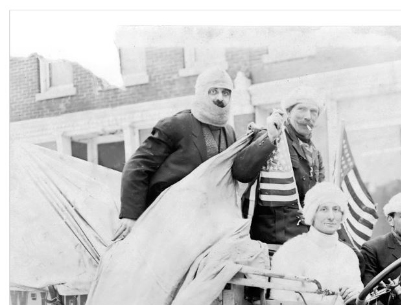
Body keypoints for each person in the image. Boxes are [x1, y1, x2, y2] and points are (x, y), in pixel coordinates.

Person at [115, 67, 236, 241]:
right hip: (169, 221)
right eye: (213, 91)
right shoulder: (176, 125)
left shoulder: (229, 132)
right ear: (201, 93)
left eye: (226, 92)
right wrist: (131, 216)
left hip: (208, 223)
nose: (220, 97)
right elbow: (137, 166)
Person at [270, 183, 365, 305]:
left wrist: (360, 302)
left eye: (336, 209)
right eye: (324, 209)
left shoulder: (347, 254)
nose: (331, 216)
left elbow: (357, 296)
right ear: (312, 213)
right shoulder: (292, 251)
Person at [232, 86, 326, 245]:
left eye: (314, 111)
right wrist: (270, 138)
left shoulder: (314, 152)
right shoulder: (273, 135)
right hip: (272, 241)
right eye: (301, 109)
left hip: (304, 235)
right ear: (288, 112)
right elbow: (241, 172)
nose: (308, 116)